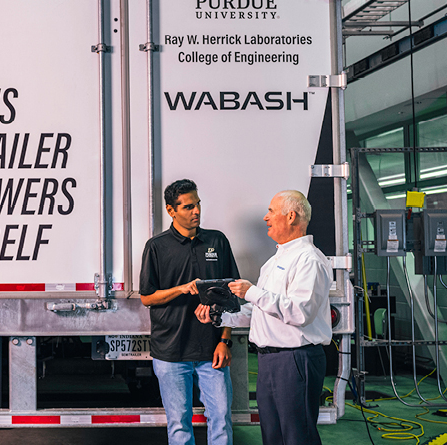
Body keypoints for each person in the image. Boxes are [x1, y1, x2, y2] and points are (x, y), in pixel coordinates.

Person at [199, 190, 332, 445]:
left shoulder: (309, 260)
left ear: (291, 216)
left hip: (295, 360)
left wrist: (252, 292)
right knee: (273, 436)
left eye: (271, 211)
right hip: (270, 361)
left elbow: (299, 312)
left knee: (297, 436)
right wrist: (220, 318)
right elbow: (261, 310)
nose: (265, 217)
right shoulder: (275, 261)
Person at [140, 179, 237, 445]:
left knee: (221, 419)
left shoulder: (217, 241)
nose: (196, 211)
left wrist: (225, 341)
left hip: (212, 351)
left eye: (198, 205)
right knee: (179, 425)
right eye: (188, 207)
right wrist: (182, 289)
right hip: (171, 352)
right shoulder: (156, 247)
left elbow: (233, 296)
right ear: (171, 210)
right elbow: (147, 297)